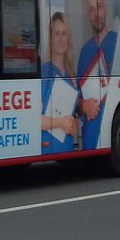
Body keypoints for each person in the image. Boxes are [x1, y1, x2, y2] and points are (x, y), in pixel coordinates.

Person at [76, 0, 118, 150]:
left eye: (99, 6)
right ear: (88, 14)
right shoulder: (84, 51)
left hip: (112, 130)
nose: (96, 13)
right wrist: (83, 105)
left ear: (105, 9)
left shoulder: (118, 43)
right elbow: (77, 98)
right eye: (91, 9)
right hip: (90, 135)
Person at [40, 12, 80, 154]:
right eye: (56, 33)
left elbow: (74, 115)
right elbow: (34, 119)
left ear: (69, 38)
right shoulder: (45, 72)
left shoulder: (72, 75)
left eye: (64, 33)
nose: (61, 39)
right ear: (50, 38)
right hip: (47, 151)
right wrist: (61, 122)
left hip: (67, 151)